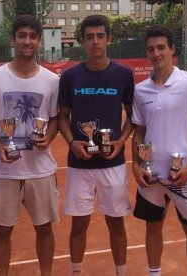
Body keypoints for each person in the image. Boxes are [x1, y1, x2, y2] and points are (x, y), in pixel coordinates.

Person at [0, 15, 60, 276]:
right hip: (5, 170)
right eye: (22, 35)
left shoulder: (52, 81)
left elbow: (55, 118)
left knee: (44, 229)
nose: (27, 41)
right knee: (2, 231)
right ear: (13, 39)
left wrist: (49, 137)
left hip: (41, 170)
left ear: (39, 41)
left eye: (32, 36)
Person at [58, 15, 135, 276]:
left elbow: (132, 116)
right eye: (89, 37)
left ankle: (121, 272)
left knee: (116, 224)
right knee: (79, 224)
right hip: (80, 162)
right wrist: (71, 142)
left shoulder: (124, 75)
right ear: (82, 41)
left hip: (113, 162)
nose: (95, 42)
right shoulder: (70, 77)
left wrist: (122, 141)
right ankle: (76, 272)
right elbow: (62, 117)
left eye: (100, 36)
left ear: (109, 39)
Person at [131, 25, 187, 276]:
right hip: (151, 174)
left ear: (172, 49)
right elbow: (139, 132)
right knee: (153, 227)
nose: (156, 53)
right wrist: (136, 164)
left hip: (184, 175)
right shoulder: (140, 90)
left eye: (161, 47)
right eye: (151, 49)